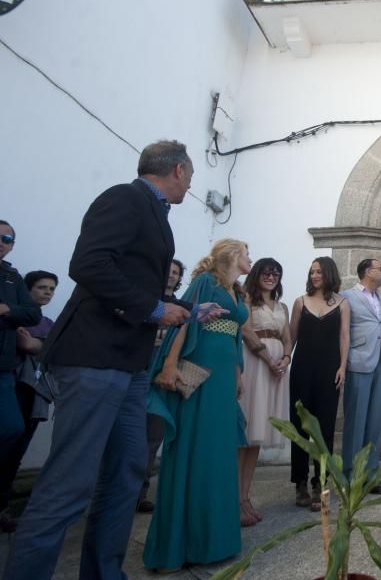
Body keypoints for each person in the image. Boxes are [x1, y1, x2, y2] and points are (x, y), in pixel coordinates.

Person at [3, 141, 224, 580]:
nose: (191, 184)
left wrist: (180, 308)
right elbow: (88, 265)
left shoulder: (154, 211)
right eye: (192, 176)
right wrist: (155, 309)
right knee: (70, 483)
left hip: (129, 365)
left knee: (125, 477)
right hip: (95, 358)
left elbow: (131, 280)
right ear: (178, 170)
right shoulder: (125, 197)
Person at [143, 239, 251, 572]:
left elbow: (234, 334)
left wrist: (236, 372)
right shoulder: (206, 282)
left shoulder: (238, 292)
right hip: (200, 370)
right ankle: (178, 545)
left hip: (223, 375)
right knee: (195, 448)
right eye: (246, 253)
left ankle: (215, 541)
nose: (250, 258)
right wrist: (170, 364)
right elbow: (183, 321)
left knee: (219, 452)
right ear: (232, 255)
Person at [288, 257, 349, 510]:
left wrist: (343, 367)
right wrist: (283, 359)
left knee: (323, 429)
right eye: (312, 271)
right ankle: (300, 483)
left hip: (329, 371)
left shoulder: (343, 304)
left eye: (319, 272)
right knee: (300, 426)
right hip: (302, 370)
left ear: (329, 274)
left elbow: (344, 336)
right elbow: (291, 336)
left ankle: (319, 483)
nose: (314, 276)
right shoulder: (300, 302)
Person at [1, 270, 56, 533]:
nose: (47, 292)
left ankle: (3, 508)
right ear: (27, 289)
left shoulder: (49, 324)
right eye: (42, 287)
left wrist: (37, 345)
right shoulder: (11, 320)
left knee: (16, 454)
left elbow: (54, 352)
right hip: (14, 387)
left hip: (36, 395)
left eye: (52, 289)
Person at [239, 257, 291, 525]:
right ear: (257, 274)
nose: (271, 277)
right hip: (255, 364)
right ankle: (234, 500)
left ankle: (245, 497)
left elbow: (287, 338)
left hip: (276, 371)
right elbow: (246, 331)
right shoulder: (247, 299)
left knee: (258, 435)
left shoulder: (281, 306)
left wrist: (285, 358)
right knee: (245, 433)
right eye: (267, 272)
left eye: (276, 273)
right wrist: (269, 360)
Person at [341, 258, 381, 487]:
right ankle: (352, 474)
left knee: (376, 422)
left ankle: (371, 474)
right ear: (367, 272)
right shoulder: (347, 296)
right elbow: (343, 332)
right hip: (359, 362)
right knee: (356, 420)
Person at [0, 224, 42, 520]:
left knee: (13, 427)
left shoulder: (12, 277)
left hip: (3, 369)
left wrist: (5, 310)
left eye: (7, 239)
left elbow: (32, 313)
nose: (3, 243)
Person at [137, 258, 186, 514]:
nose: (171, 276)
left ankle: (140, 492)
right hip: (137, 366)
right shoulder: (142, 298)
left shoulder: (180, 307)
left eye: (176, 273)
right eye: (168, 271)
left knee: (153, 434)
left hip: (160, 374)